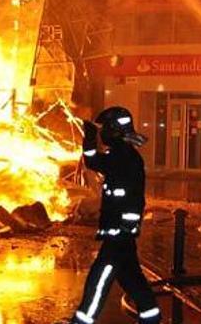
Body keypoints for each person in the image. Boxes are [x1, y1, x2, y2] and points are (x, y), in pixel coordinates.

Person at [69, 107, 160, 324]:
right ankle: (151, 317)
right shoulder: (120, 154)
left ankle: (81, 321)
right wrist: (89, 140)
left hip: (119, 233)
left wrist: (127, 226)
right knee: (132, 280)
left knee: (98, 279)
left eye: (104, 129)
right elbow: (94, 162)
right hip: (120, 233)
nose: (102, 134)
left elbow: (133, 196)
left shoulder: (124, 156)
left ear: (113, 130)